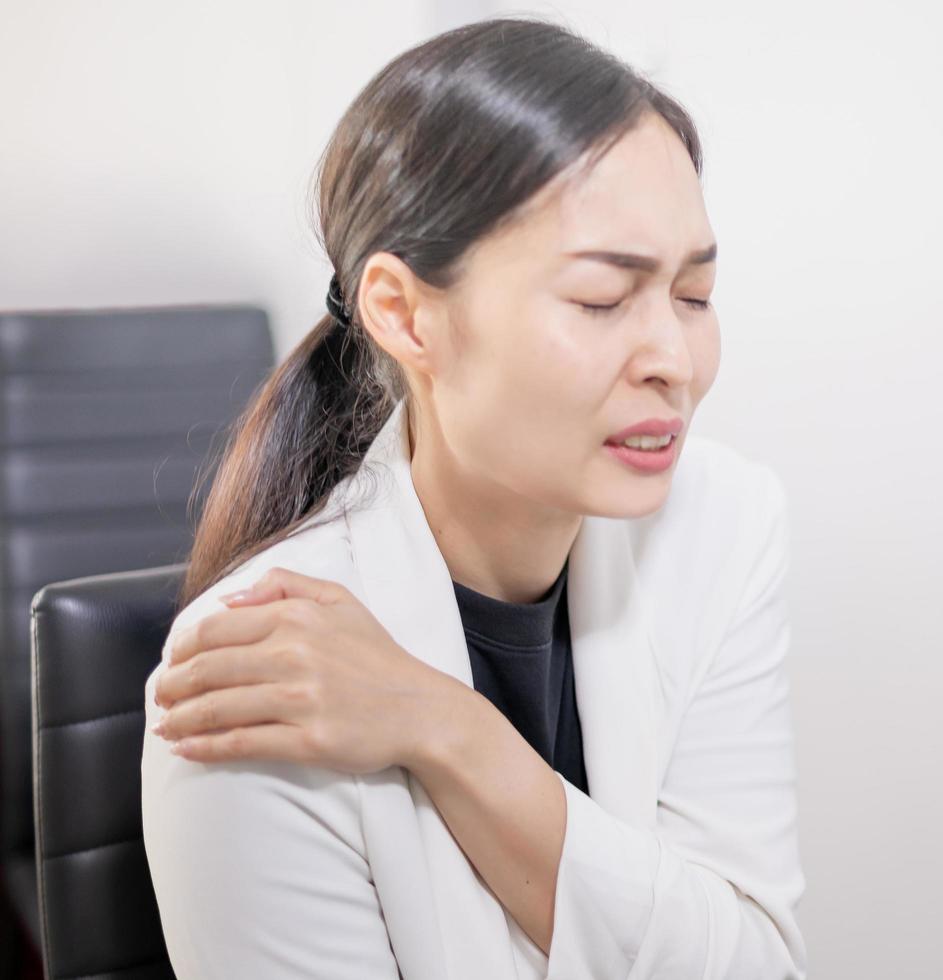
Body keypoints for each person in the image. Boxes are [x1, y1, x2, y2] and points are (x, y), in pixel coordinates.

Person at [139, 15, 806, 979]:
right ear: (405, 314)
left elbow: (757, 961)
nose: (675, 361)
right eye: (600, 300)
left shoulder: (725, 522)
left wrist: (447, 728)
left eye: (694, 297)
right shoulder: (259, 670)